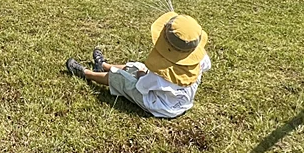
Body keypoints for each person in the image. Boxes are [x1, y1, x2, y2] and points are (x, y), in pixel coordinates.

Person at [65, 12, 211, 119]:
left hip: (161, 107)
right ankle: (103, 65)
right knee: (137, 66)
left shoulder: (159, 75)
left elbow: (141, 86)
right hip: (182, 103)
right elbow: (206, 65)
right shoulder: (200, 60)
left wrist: (141, 75)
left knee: (120, 78)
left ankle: (86, 73)